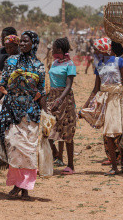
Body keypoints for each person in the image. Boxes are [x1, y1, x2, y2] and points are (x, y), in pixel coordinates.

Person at [0, 31, 45, 200]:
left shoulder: (39, 66)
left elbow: (41, 92)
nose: (22, 44)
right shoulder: (11, 62)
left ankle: (24, 189)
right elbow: (2, 88)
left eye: (26, 41)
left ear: (34, 44)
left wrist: (47, 114)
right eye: (21, 42)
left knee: (29, 152)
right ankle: (18, 183)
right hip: (11, 112)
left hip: (30, 114)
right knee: (14, 147)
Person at [82, 37, 123, 175]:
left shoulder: (120, 61)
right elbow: (96, 88)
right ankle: (115, 165)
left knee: (118, 132)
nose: (95, 53)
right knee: (108, 134)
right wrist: (85, 106)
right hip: (105, 100)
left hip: (118, 99)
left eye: (96, 50)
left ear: (104, 49)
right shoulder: (98, 65)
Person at [102, 41, 123, 166]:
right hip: (116, 97)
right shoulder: (109, 63)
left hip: (122, 98)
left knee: (122, 129)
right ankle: (117, 157)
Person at [47, 38, 77, 174]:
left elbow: (69, 85)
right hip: (52, 96)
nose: (52, 50)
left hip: (65, 99)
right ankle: (54, 156)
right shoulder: (54, 63)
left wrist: (59, 100)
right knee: (48, 129)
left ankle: (70, 165)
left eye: (53, 48)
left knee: (67, 130)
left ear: (59, 49)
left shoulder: (70, 65)